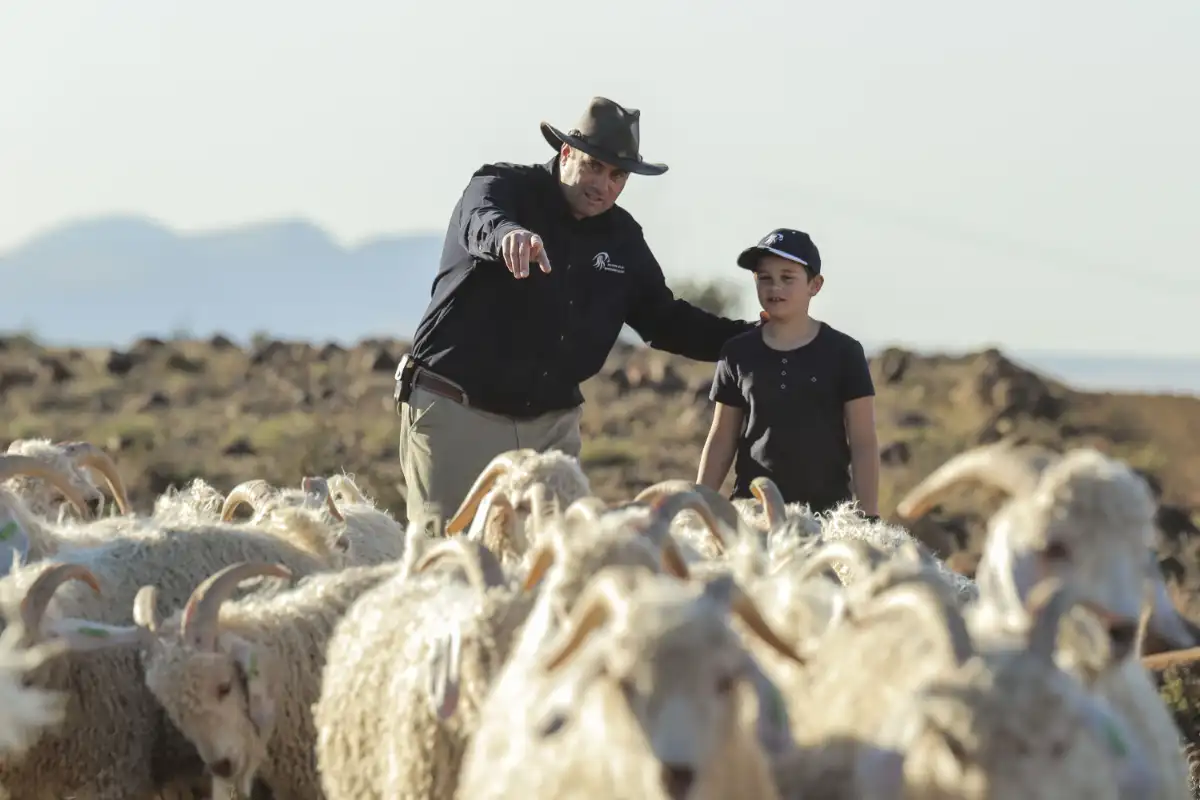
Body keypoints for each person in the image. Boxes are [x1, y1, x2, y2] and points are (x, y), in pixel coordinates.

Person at [395, 96, 758, 525]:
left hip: (551, 428)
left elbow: (665, 321)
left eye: (617, 175)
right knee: (452, 565)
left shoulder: (623, 238)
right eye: (593, 166)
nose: (603, 184)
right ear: (566, 153)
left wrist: (755, 339)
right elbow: (482, 220)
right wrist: (508, 236)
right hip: (458, 412)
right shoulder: (502, 187)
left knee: (559, 565)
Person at [696, 228, 881, 520]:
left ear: (815, 285)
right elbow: (722, 437)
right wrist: (699, 505)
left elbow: (863, 441)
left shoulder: (845, 352)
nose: (774, 288)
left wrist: (869, 516)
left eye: (787, 278)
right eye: (765, 278)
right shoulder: (737, 352)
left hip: (827, 519)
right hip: (753, 516)